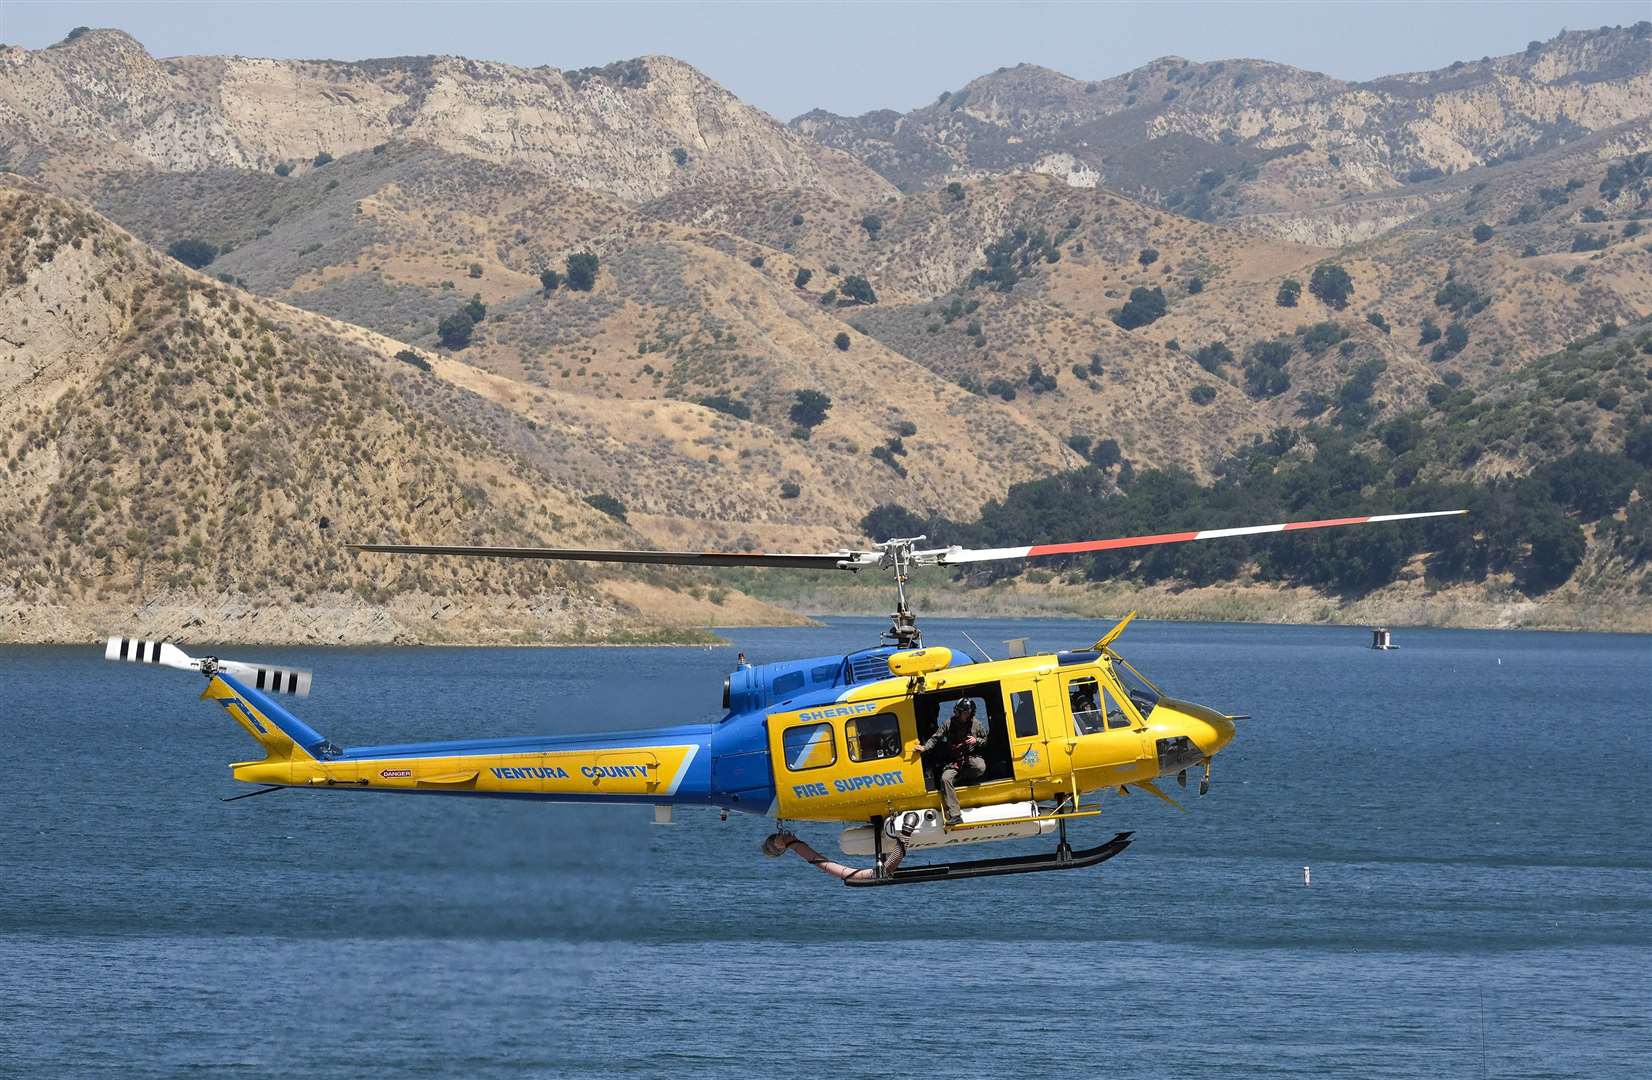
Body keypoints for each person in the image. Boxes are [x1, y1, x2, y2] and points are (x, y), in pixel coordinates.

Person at [917, 699, 988, 825]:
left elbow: (986, 740)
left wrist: (976, 740)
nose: (963, 715)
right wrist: (924, 748)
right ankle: (955, 815)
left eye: (966, 713)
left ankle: (963, 776)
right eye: (961, 712)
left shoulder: (976, 724)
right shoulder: (948, 724)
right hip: (954, 761)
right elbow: (935, 738)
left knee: (980, 767)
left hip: (970, 758)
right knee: (945, 779)